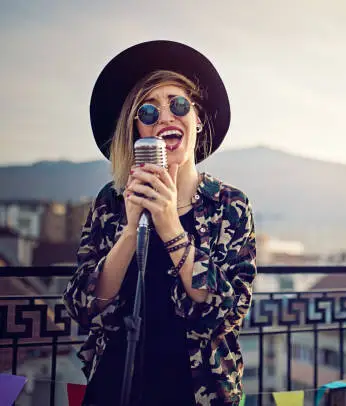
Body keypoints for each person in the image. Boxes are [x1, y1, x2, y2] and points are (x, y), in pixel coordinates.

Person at [62, 40, 257, 406]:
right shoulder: (111, 201)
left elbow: (229, 310)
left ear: (197, 119)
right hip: (116, 385)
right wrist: (129, 230)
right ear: (137, 131)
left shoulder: (230, 205)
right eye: (148, 111)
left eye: (178, 104)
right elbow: (81, 305)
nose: (166, 115)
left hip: (196, 391)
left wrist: (169, 224)